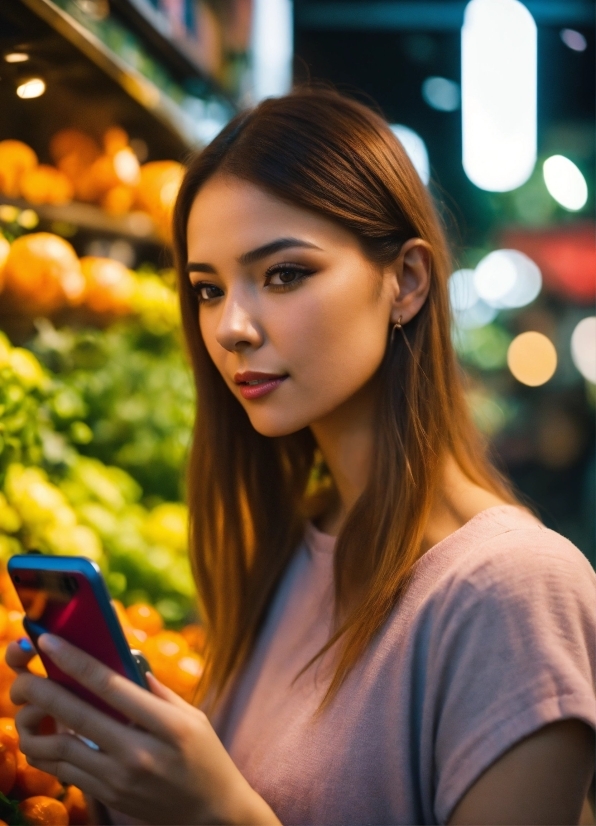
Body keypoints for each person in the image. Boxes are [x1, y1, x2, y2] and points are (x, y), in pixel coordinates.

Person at [6, 88, 596, 826]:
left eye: (284, 274)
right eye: (208, 289)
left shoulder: (513, 591)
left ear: (407, 281)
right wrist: (113, 769)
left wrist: (218, 815)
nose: (232, 327)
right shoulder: (285, 546)